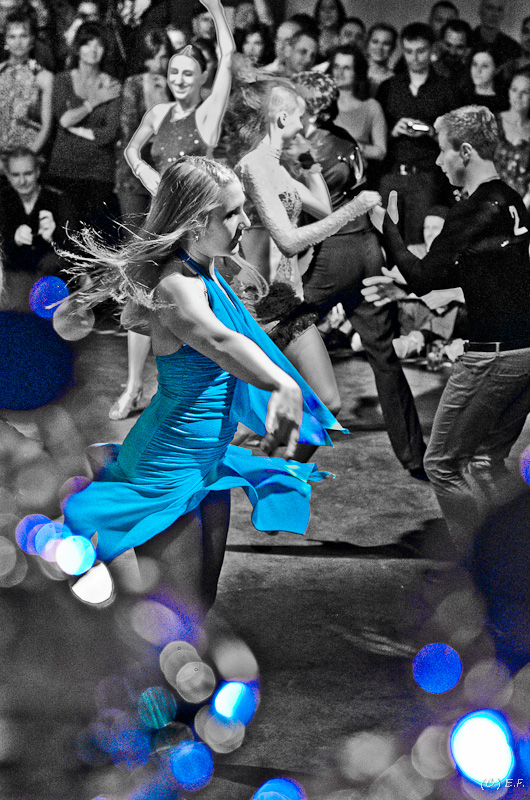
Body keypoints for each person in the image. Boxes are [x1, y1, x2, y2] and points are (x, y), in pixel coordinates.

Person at [61, 155, 347, 614]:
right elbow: (220, 341)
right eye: (232, 212)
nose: (246, 220)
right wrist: (283, 386)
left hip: (206, 460)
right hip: (165, 465)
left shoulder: (210, 271)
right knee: (179, 612)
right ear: (196, 223)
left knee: (202, 600)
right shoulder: (176, 288)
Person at [362, 105, 530, 559]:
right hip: (525, 354)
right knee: (486, 462)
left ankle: (480, 565)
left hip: (492, 358)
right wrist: (401, 286)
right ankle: (513, 558)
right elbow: (480, 272)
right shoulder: (510, 200)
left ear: (466, 151)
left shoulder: (472, 209)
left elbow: (424, 277)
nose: (437, 161)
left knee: (441, 463)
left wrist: (388, 229)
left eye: (442, 151)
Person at [229, 80, 381, 462]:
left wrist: (309, 162)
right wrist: (356, 208)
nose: (307, 121)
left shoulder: (279, 167)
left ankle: (279, 478)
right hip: (254, 308)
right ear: (282, 118)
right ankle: (202, 480)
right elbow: (288, 241)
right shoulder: (253, 166)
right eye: (301, 114)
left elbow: (324, 210)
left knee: (328, 403)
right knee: (242, 424)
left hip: (285, 302)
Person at [293, 71, 427, 479]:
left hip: (336, 254)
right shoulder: (345, 139)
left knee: (272, 332)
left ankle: (274, 441)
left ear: (307, 108)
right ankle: (414, 456)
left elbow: (304, 212)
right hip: (367, 249)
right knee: (383, 357)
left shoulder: (306, 149)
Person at [109, 0, 234, 422]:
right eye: (174, 73)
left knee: (196, 312)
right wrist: (149, 177)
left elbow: (228, 57)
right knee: (140, 301)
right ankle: (132, 387)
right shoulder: (159, 111)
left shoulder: (208, 114)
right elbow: (132, 151)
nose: (179, 80)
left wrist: (216, 10)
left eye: (188, 74)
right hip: (161, 222)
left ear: (202, 78)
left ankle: (201, 398)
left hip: (196, 228)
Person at [376, 22, 457, 244]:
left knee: (419, 241)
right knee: (386, 239)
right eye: (409, 51)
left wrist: (431, 131)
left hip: (426, 175)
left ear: (432, 50)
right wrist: (393, 131)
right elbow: (376, 135)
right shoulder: (389, 87)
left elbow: (455, 137)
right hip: (392, 171)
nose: (415, 57)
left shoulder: (446, 89)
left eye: (421, 51)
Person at [45, 21, 122, 234]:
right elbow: (64, 120)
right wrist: (95, 100)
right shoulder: (62, 80)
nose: (93, 50)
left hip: (99, 173)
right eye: (87, 44)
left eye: (99, 45)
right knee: (67, 234)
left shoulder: (113, 85)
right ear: (78, 48)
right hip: (64, 169)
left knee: (96, 237)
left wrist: (77, 129)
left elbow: (109, 134)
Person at [0, 146, 76, 310]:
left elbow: (74, 249)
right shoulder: (3, 200)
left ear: (37, 172)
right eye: (15, 175)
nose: (22, 181)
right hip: (13, 280)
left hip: (50, 279)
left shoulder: (58, 199)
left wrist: (52, 239)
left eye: (27, 173)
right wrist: (13, 239)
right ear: (8, 175)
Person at [115, 27, 173, 231]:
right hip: (134, 172)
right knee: (135, 239)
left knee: (161, 238)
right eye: (152, 57)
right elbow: (128, 132)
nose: (158, 64)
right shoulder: (133, 84)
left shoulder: (176, 85)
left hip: (166, 172)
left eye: (163, 57)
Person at [0, 9, 53, 162]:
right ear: (5, 41)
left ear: (32, 40)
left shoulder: (44, 77)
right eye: (12, 37)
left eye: (23, 36)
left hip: (29, 157)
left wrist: (24, 159)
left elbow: (46, 127)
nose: (18, 42)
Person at [331, 44, 387, 183]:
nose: (339, 73)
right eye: (336, 67)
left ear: (357, 72)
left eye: (346, 68)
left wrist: (355, 147)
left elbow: (380, 151)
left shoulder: (371, 107)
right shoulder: (322, 103)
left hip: (355, 179)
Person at [494, 69, 530, 205]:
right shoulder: (492, 122)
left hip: (521, 205)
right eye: (514, 90)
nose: (518, 96)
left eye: (525, 92)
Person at [470, 0, 520, 69]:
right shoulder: (466, 40)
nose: (494, 14)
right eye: (489, 8)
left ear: (503, 14)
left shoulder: (513, 48)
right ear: (480, 11)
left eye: (499, 9)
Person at [463, 48, 507, 113]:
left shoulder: (504, 103)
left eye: (484, 66)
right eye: (475, 64)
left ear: (497, 69)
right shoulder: (459, 97)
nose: (478, 71)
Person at [366, 23, 397, 97]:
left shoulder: (396, 82)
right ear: (367, 44)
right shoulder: (353, 72)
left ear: (392, 48)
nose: (379, 47)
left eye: (386, 44)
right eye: (375, 42)